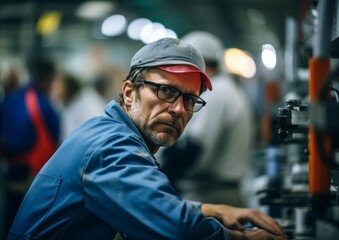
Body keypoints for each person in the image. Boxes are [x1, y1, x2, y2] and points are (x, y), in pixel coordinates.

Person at [8, 38, 287, 240]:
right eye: (165, 91)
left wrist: (210, 209)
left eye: (190, 99)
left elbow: (148, 201)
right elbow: (175, 228)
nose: (179, 109)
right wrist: (241, 238)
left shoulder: (113, 133)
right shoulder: (112, 145)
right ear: (129, 93)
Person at [158, 31, 254, 207]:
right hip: (218, 192)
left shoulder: (216, 92)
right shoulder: (227, 88)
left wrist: (159, 183)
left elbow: (193, 148)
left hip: (213, 195)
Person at [0, 55, 60, 239]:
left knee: (9, 223)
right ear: (46, 80)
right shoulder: (44, 106)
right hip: (37, 178)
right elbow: (56, 140)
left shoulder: (9, 100)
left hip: (10, 174)